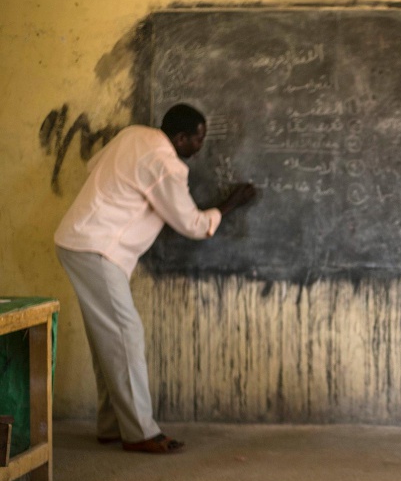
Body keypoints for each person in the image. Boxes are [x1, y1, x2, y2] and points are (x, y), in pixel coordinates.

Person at [54, 103, 256, 454]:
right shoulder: (166, 164)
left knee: (109, 338)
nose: (200, 147)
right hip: (97, 249)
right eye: (197, 139)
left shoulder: (133, 135)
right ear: (179, 138)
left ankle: (112, 425)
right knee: (126, 335)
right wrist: (228, 205)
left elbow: (94, 165)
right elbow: (193, 225)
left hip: (79, 241)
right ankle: (141, 433)